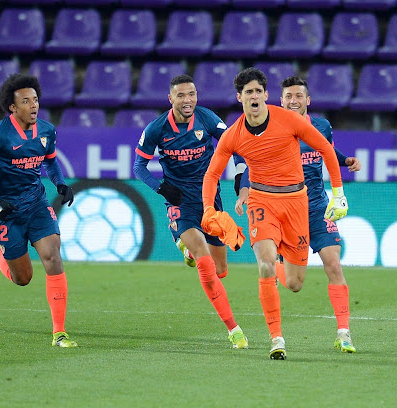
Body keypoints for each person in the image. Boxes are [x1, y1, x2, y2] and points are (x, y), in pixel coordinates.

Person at [201, 67, 349, 360]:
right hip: (261, 201)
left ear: (266, 96)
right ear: (239, 97)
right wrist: (208, 209)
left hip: (297, 202)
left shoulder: (289, 120)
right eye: (248, 92)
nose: (254, 96)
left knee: (294, 283)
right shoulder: (233, 135)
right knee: (265, 264)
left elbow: (326, 150)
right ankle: (276, 339)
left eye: (258, 91)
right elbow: (211, 175)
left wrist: (339, 193)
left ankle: (282, 256)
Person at [233, 76, 361, 353]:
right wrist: (244, 192)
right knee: (292, 283)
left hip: (316, 206)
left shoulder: (322, 126)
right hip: (282, 205)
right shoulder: (274, 128)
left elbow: (325, 149)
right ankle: (277, 264)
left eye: (298, 96)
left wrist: (345, 160)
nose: (293, 101)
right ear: (280, 100)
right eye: (288, 96)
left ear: (308, 100)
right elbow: (253, 165)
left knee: (334, 264)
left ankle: (344, 332)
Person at [132, 74, 249, 350]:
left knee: (220, 270)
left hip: (210, 198)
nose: (188, 100)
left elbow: (238, 147)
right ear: (170, 98)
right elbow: (138, 167)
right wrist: (161, 188)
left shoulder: (207, 118)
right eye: (181, 95)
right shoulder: (156, 129)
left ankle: (185, 248)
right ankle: (234, 330)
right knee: (205, 262)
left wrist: (240, 175)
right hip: (179, 200)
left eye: (192, 94)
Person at [0, 73, 77, 348]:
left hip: (37, 204)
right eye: (26, 101)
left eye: (35, 100)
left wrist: (60, 183)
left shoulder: (47, 131)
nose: (33, 105)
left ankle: (59, 332)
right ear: (13, 107)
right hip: (8, 210)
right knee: (22, 279)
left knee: (53, 257)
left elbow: (50, 162)